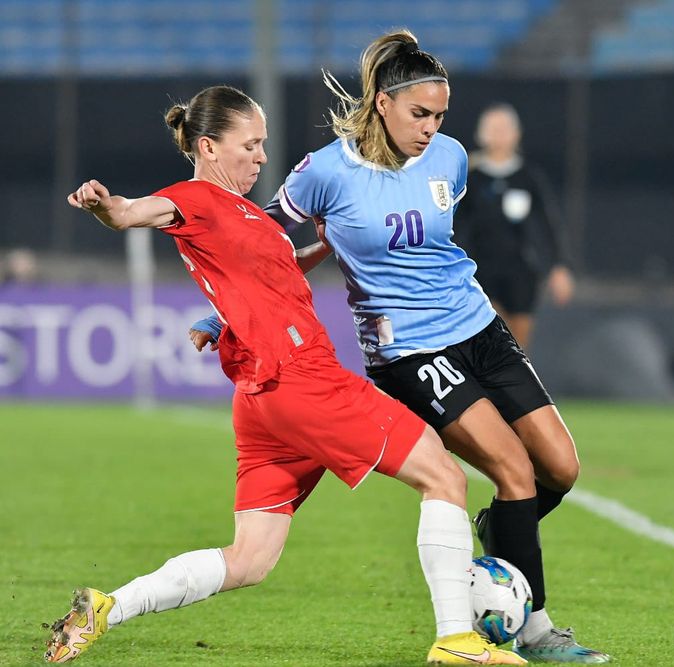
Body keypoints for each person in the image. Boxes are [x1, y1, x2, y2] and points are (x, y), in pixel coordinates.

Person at [47, 85, 524, 666]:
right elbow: (131, 212)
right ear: (208, 147)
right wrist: (104, 205)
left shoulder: (249, 215)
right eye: (249, 145)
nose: (261, 157)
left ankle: (106, 607)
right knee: (444, 477)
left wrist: (326, 243)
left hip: (262, 398)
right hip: (303, 379)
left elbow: (276, 269)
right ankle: (457, 640)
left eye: (263, 144)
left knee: (250, 559)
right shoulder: (194, 198)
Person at [190, 31, 610, 664]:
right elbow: (261, 249)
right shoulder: (324, 172)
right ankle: (533, 629)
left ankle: (499, 531)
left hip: (479, 327)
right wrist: (222, 314)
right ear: (382, 103)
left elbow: (439, 246)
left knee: (561, 469)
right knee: (514, 471)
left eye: (440, 115)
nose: (432, 127)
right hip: (409, 351)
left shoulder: (450, 158)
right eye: (420, 114)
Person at [452, 103, 574, 350]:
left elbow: (548, 223)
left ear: (517, 134)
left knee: (519, 343)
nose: (499, 135)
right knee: (494, 333)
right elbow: (454, 225)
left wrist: (559, 266)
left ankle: (514, 373)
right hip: (481, 268)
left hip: (520, 270)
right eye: (493, 129)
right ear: (481, 134)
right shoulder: (470, 178)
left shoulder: (528, 177)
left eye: (504, 129)